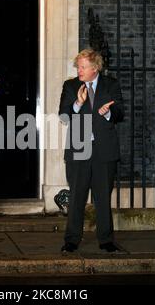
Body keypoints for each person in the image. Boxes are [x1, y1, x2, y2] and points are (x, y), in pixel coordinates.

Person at [58, 49, 124, 253]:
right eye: (78, 66)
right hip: (79, 149)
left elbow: (120, 113)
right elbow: (63, 115)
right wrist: (77, 103)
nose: (79, 70)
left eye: (83, 66)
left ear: (95, 68)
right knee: (77, 196)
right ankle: (71, 240)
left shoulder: (110, 85)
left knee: (103, 198)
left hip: (104, 150)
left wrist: (108, 113)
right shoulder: (71, 86)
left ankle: (106, 240)